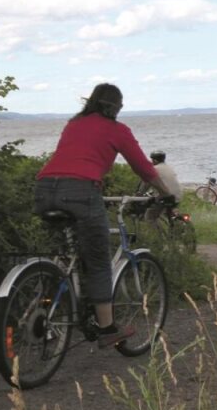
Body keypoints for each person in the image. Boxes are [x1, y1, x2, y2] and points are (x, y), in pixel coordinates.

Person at [34, 83, 168, 349]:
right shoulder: (117, 130)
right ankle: (106, 328)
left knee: (67, 252)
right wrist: (166, 193)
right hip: (81, 191)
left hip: (44, 189)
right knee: (98, 260)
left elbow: (74, 158)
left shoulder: (74, 123)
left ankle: (49, 298)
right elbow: (143, 168)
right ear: (117, 106)